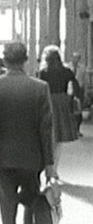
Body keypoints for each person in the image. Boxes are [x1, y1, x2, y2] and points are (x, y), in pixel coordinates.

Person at [0, 41, 55, 224]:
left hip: (2, 157)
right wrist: (49, 162)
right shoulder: (40, 87)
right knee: (31, 201)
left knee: (6, 204)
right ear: (25, 61)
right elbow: (46, 128)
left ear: (4, 60)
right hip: (32, 158)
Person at [38, 45, 81, 177]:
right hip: (62, 103)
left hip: (47, 101)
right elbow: (76, 88)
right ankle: (54, 168)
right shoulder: (67, 71)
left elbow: (39, 89)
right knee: (60, 138)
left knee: (48, 136)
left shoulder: (43, 72)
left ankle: (47, 167)